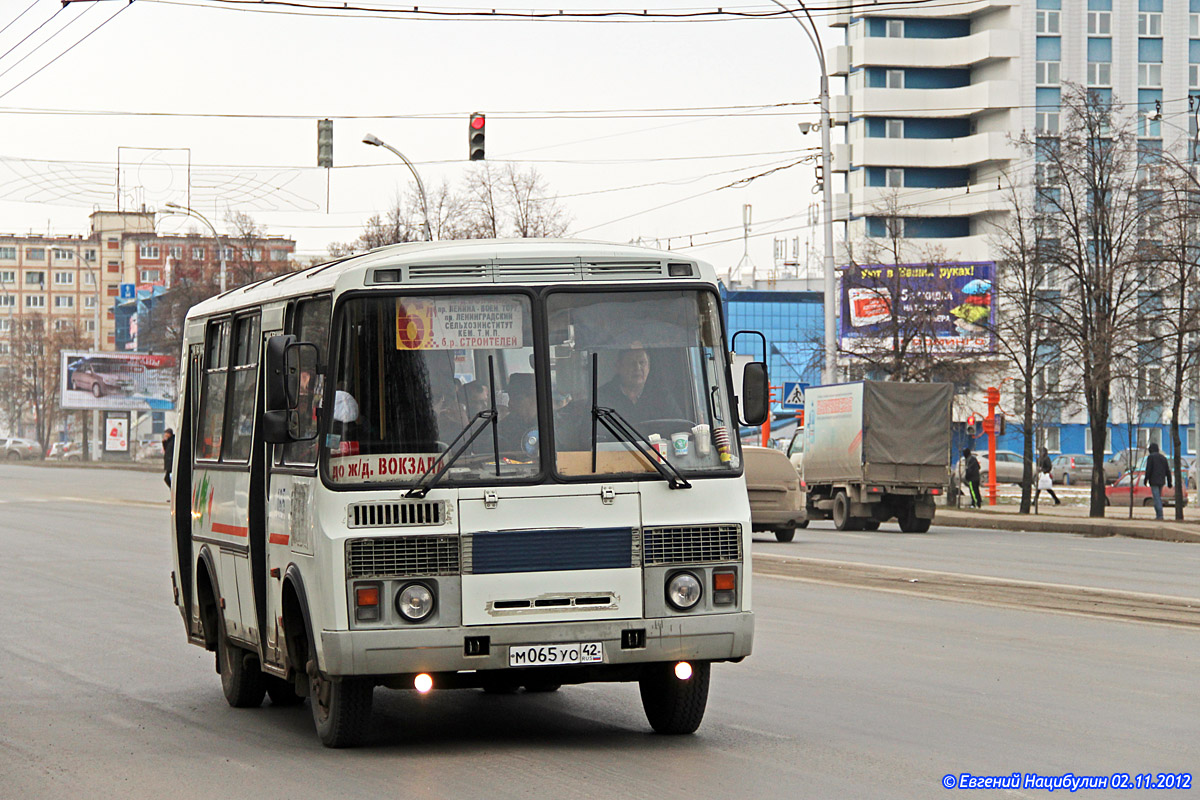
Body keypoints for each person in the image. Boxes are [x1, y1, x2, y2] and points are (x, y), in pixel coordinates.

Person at [599, 343, 680, 423]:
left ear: (649, 367)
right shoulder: (601, 397)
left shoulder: (661, 395)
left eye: (642, 362)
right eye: (631, 363)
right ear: (618, 367)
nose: (637, 367)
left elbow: (681, 428)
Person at [498, 372, 538, 455]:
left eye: (517, 399)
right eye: (510, 398)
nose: (509, 404)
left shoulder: (555, 424)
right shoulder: (504, 427)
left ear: (533, 397)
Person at [1143, 442, 1171, 521]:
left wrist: (1146, 480)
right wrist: (1169, 482)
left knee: (1156, 498)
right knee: (1158, 497)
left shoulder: (1151, 457)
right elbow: (1167, 471)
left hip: (1154, 481)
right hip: (1161, 481)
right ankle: (1159, 514)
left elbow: (1148, 469)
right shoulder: (1163, 458)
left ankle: (1160, 515)